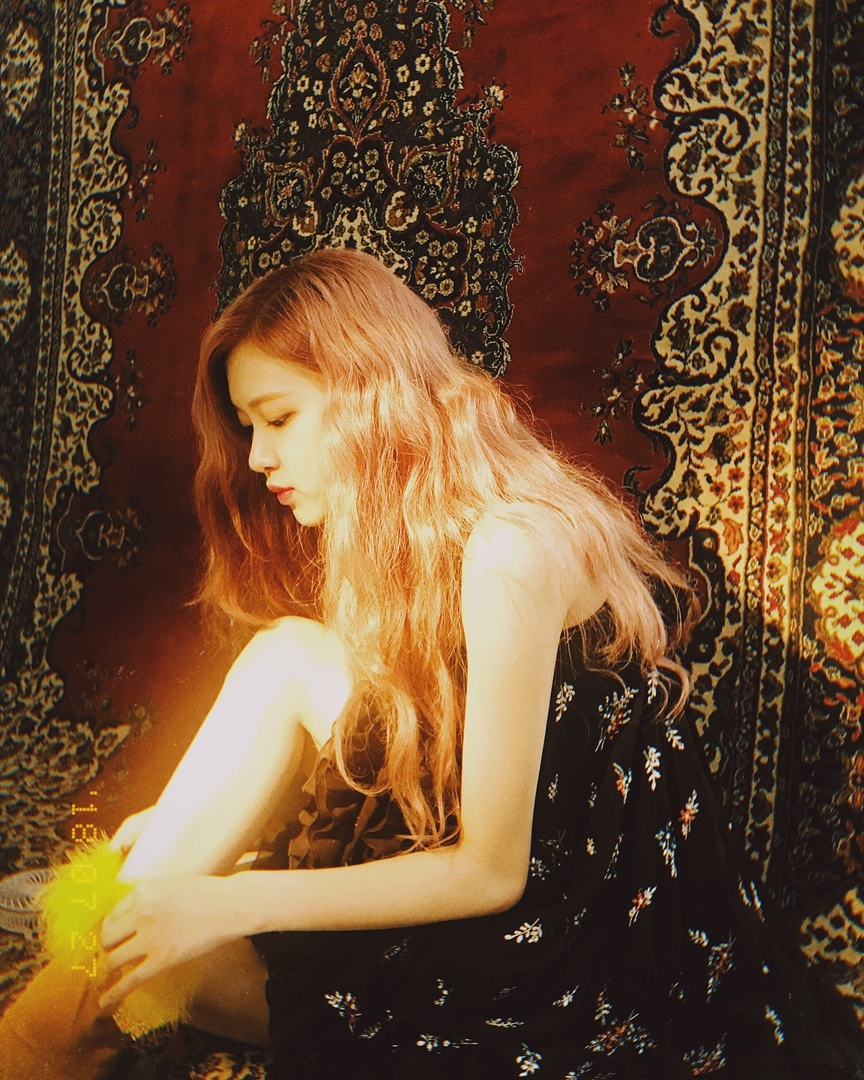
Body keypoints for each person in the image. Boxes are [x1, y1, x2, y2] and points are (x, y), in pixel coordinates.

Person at [2, 247, 861, 1079]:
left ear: (367, 397)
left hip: (565, 959)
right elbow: (411, 737)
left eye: (279, 418)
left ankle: (54, 1021)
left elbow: (492, 872)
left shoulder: (512, 548)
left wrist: (228, 898)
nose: (258, 457)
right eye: (249, 426)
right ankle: (99, 956)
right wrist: (199, 824)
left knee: (161, 950)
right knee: (284, 660)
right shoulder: (409, 523)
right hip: (501, 869)